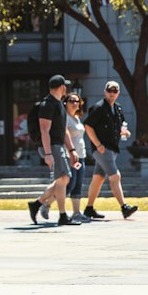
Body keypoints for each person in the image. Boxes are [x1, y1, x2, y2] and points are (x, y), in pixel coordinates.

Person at [27, 74, 82, 228]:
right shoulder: (47, 105)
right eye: (65, 86)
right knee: (64, 178)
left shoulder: (59, 105)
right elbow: (45, 130)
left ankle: (37, 204)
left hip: (58, 146)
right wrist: (48, 154)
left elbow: (64, 131)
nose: (67, 88)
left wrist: (72, 150)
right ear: (61, 87)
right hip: (51, 147)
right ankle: (63, 215)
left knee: (63, 179)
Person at [82, 80, 138, 220]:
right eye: (109, 90)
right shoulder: (98, 107)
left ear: (118, 93)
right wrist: (98, 145)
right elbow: (88, 126)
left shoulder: (118, 108)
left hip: (113, 148)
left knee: (98, 178)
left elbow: (120, 127)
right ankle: (124, 207)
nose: (112, 93)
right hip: (102, 149)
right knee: (115, 176)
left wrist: (125, 133)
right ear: (104, 91)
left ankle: (89, 208)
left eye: (115, 91)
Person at [63, 92, 87, 221]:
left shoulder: (77, 118)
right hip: (70, 155)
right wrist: (71, 151)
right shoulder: (65, 118)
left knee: (78, 184)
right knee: (69, 184)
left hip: (81, 155)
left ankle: (77, 213)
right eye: (71, 101)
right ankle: (46, 204)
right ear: (65, 103)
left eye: (77, 101)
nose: (74, 103)